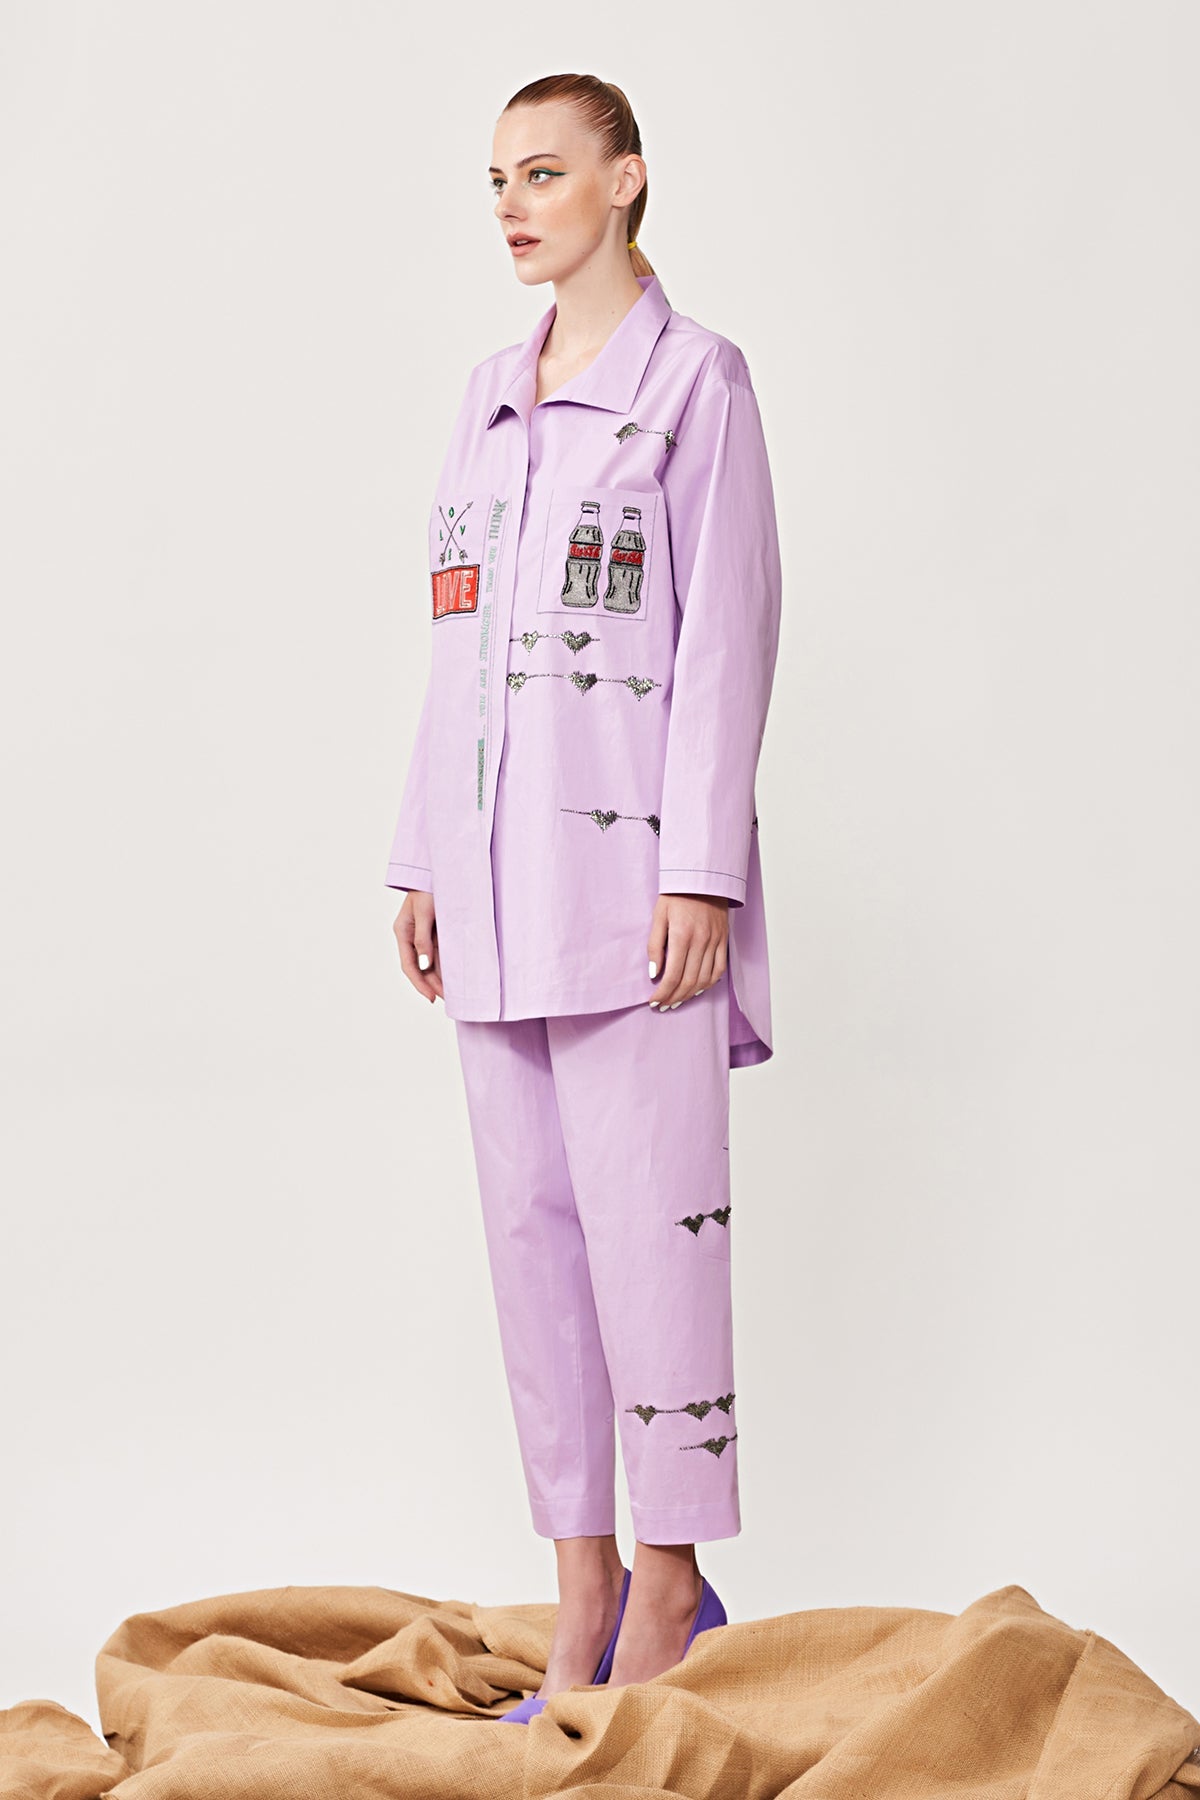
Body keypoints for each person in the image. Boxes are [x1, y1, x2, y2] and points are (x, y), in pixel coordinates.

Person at [385, 72, 782, 1722]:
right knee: (533, 1252)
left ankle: (672, 1586)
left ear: (625, 182)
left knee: (652, 1242)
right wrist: (418, 851)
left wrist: (702, 869)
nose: (512, 204)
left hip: (634, 900)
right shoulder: (488, 398)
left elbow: (728, 635)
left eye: (543, 173)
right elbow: (453, 642)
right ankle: (584, 1596)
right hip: (487, 896)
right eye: (497, 178)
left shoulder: (698, 383)